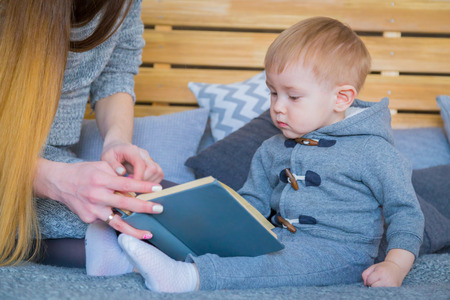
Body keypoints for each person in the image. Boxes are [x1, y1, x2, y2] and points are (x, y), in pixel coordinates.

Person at [86, 16, 425, 292]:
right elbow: (250, 205)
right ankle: (124, 260)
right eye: (272, 93)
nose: (277, 107)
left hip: (341, 254)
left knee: (271, 267)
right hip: (279, 238)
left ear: (341, 99)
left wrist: (394, 265)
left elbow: (406, 213)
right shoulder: (272, 148)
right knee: (226, 241)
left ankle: (188, 278)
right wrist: (213, 222)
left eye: (293, 97)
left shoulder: (373, 150)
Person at [0, 0, 166, 267]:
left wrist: (117, 140)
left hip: (50, 159)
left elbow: (116, 73)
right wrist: (50, 178)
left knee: (164, 211)